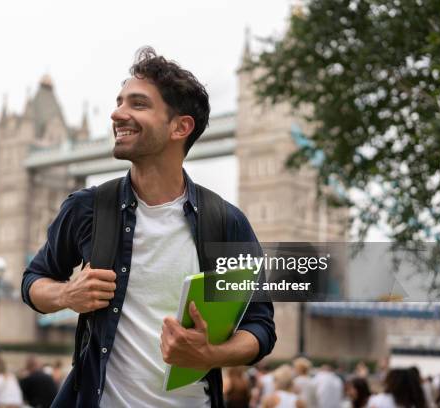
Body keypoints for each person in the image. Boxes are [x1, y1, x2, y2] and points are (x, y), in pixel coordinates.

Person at [21, 46, 276, 407]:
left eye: (137, 104)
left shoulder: (226, 222)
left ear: (180, 127)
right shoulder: (87, 209)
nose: (117, 113)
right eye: (119, 101)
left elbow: (260, 327)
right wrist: (65, 295)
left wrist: (210, 354)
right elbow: (33, 281)